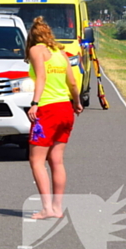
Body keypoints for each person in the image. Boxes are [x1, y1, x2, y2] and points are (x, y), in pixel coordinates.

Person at [25, 16, 83, 219]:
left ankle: (46, 208)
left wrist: (35, 103)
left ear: (31, 36)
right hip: (64, 108)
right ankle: (57, 207)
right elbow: (73, 82)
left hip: (48, 109)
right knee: (57, 160)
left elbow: (41, 76)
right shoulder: (61, 53)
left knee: (37, 160)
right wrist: (76, 102)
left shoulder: (36, 50)